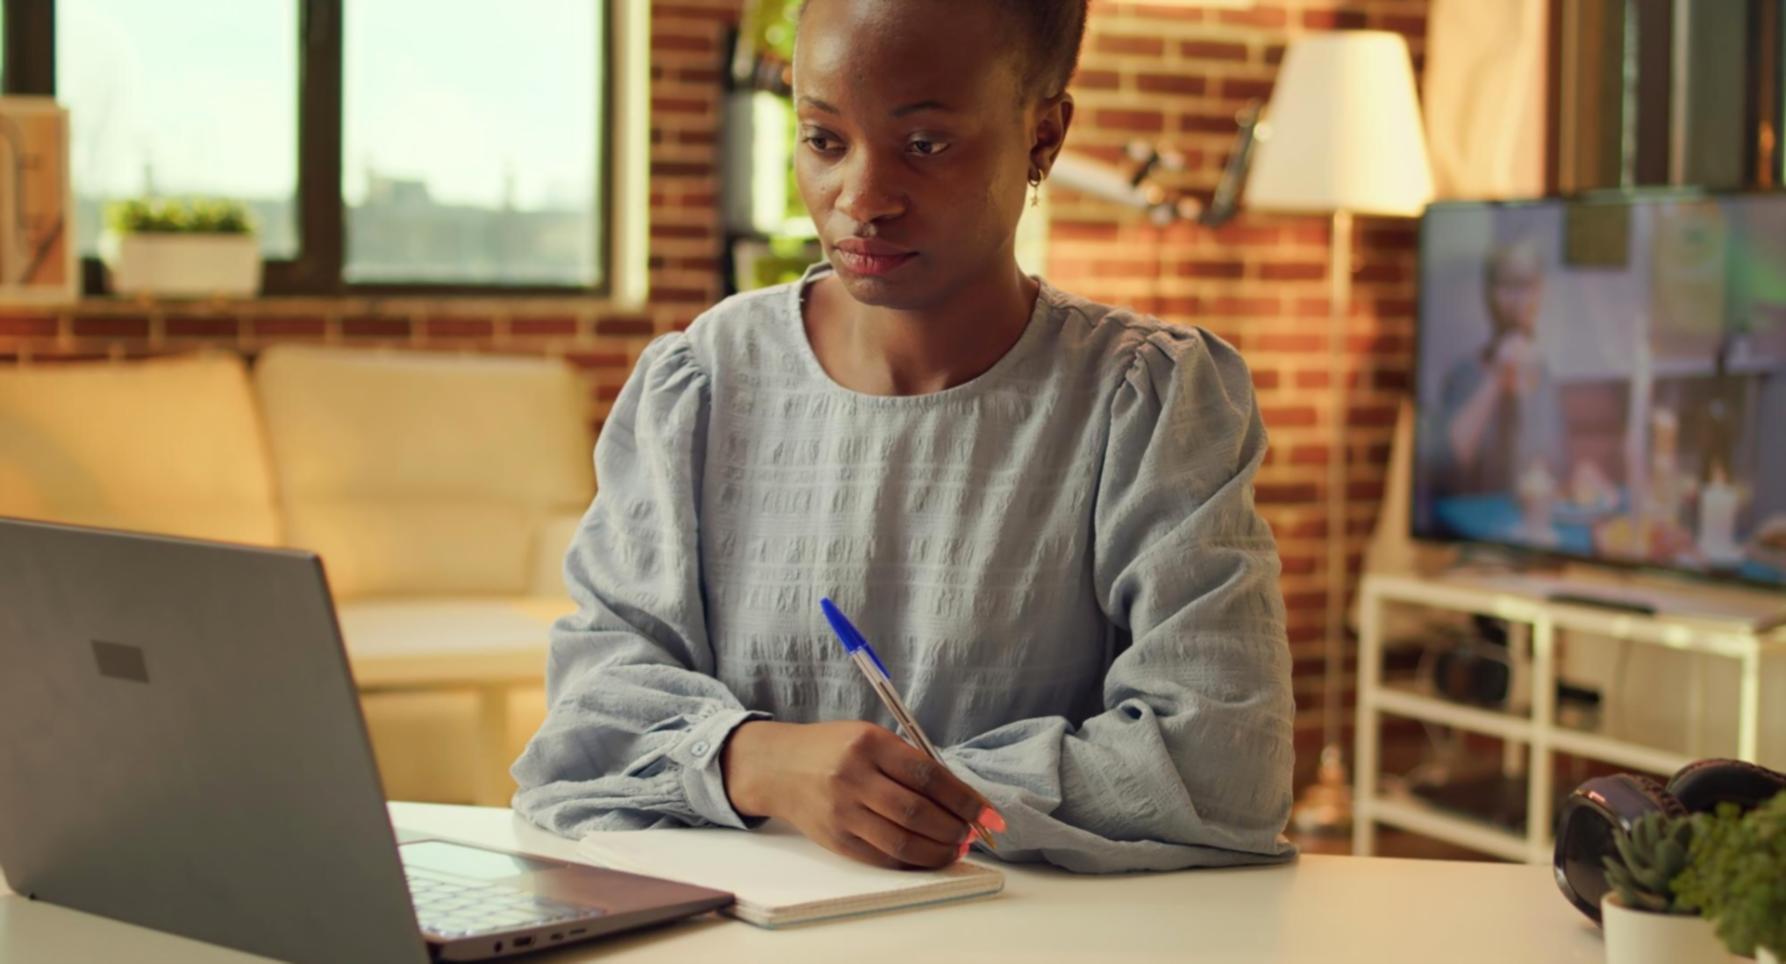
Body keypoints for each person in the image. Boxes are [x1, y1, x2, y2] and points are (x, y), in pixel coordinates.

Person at [511, 0, 1295, 875]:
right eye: (823, 139)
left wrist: (896, 794)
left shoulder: (1142, 403)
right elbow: (589, 717)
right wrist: (759, 761)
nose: (861, 199)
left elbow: (1224, 765)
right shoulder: (704, 384)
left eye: (925, 145)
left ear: (1044, 135)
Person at [1433, 239, 1568, 495]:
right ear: (1488, 294)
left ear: (1540, 292)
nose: (1520, 299)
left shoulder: (1545, 376)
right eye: (1508, 285)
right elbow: (1449, 464)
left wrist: (1581, 479)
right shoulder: (1462, 376)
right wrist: (1497, 374)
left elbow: (1554, 472)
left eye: (1528, 285)